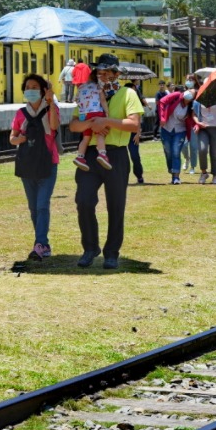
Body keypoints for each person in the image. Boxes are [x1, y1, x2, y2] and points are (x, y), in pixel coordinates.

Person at [68, 54, 142, 269]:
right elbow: (73, 124)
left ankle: (112, 252)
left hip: (116, 154)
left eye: (107, 73)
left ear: (117, 74)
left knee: (116, 205)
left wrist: (106, 121)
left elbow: (133, 124)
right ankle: (90, 248)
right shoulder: (87, 92)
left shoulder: (128, 93)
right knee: (84, 200)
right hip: (90, 154)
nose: (103, 76)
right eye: (99, 72)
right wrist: (92, 123)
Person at [10, 73, 60, 261]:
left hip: (48, 163)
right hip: (27, 164)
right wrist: (19, 139)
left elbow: (54, 126)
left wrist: (51, 102)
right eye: (27, 88)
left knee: (42, 205)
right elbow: (12, 137)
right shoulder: (20, 114)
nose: (30, 91)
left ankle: (40, 243)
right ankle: (42, 244)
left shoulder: (51, 110)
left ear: (43, 90)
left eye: (34, 87)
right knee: (33, 207)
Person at [72, 68, 111, 171]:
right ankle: (102, 154)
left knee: (86, 138)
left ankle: (80, 157)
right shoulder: (98, 87)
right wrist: (107, 112)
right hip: (95, 112)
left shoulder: (80, 87)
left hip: (83, 115)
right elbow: (102, 100)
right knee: (100, 134)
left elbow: (77, 100)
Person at [157, 86, 195, 184]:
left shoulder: (191, 106)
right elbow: (162, 101)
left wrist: (196, 127)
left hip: (180, 130)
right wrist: (162, 117)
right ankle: (172, 169)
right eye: (189, 90)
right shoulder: (177, 95)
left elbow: (192, 119)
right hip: (166, 128)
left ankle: (176, 177)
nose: (189, 92)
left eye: (192, 93)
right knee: (168, 151)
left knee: (176, 152)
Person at [192, 97, 216, 184]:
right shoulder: (198, 101)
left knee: (215, 153)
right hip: (203, 129)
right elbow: (194, 114)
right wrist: (198, 122)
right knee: (202, 150)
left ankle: (215, 175)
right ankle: (204, 173)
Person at [124, 81, 146, 185]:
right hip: (123, 133)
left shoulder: (136, 101)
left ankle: (139, 175)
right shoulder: (122, 100)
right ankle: (123, 177)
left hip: (133, 134)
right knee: (123, 158)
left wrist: (138, 133)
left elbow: (138, 119)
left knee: (135, 156)